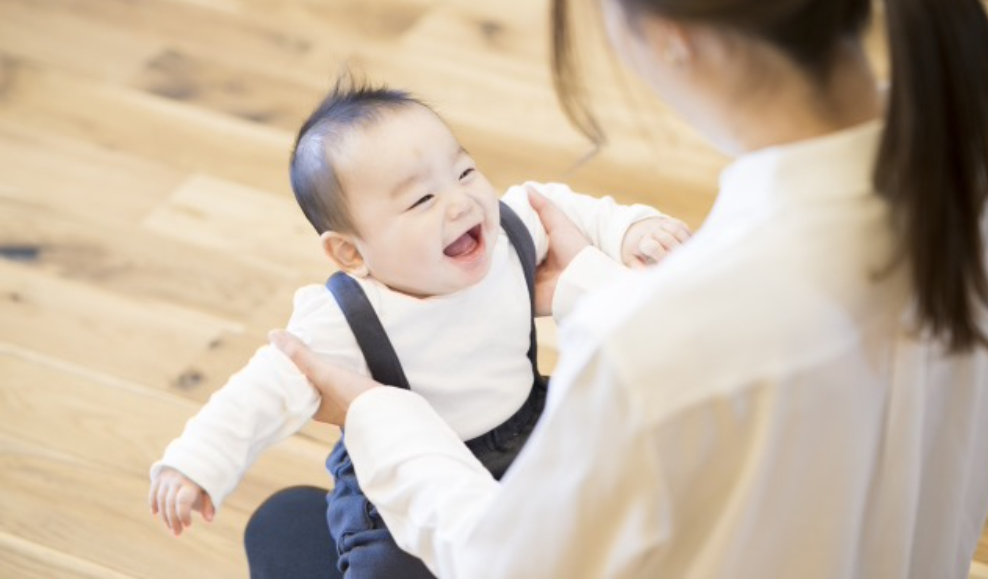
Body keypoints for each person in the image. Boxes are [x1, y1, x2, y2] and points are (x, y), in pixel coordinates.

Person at [246, 0, 988, 577]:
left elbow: (504, 565)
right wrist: (583, 286)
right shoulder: (979, 151)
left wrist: (377, 413)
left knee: (283, 528)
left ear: (670, 36)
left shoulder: (646, 353)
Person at [148, 75, 690, 577]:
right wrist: (197, 463)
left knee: (608, 493)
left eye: (464, 171)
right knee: (388, 564)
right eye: (422, 199)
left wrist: (635, 232)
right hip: (395, 487)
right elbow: (261, 390)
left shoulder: (514, 228)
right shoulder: (344, 317)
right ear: (349, 252)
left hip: (530, 429)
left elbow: (583, 214)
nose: (460, 201)